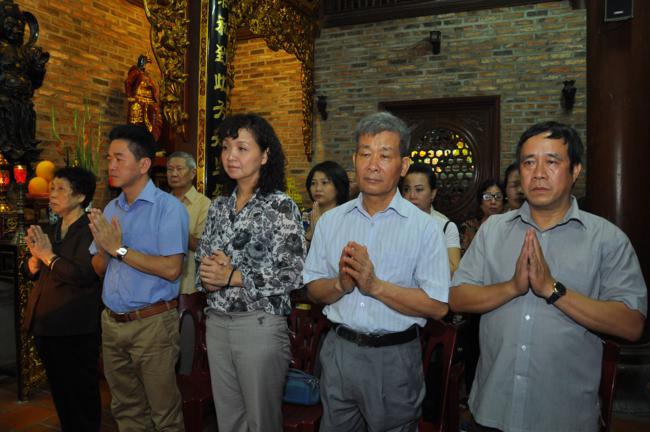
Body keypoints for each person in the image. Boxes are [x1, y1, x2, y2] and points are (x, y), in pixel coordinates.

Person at [450, 121, 647, 432]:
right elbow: (457, 297)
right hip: (493, 408)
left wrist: (552, 290)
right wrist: (512, 287)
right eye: (529, 163)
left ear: (575, 170)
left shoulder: (606, 239)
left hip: (564, 416)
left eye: (552, 162)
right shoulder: (493, 231)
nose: (538, 173)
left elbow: (631, 324)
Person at [304, 111, 449, 432]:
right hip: (339, 351)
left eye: (384, 156)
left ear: (404, 165)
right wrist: (341, 285)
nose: (373, 165)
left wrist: (375, 286)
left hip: (393, 358)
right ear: (354, 160)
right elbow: (313, 289)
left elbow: (438, 306)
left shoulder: (424, 228)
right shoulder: (331, 222)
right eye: (365, 154)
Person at [195, 114, 306, 432]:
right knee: (228, 419)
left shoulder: (280, 206)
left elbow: (294, 273)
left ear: (265, 155)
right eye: (226, 147)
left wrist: (232, 275)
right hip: (217, 322)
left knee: (261, 421)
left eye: (242, 148)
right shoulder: (218, 206)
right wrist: (209, 275)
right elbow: (202, 263)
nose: (231, 155)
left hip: (258, 324)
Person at [88, 124, 188, 432]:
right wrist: (105, 250)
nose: (111, 165)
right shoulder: (111, 207)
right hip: (113, 322)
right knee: (126, 409)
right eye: (109, 158)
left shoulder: (168, 209)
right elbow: (98, 268)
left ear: (143, 164)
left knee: (164, 414)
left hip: (152, 325)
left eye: (119, 158)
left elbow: (172, 269)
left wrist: (118, 249)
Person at [23, 166, 101, 432]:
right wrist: (34, 262)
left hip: (75, 326)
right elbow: (32, 271)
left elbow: (82, 275)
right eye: (52, 188)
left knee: (80, 393)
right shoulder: (52, 227)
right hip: (46, 323)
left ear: (80, 196)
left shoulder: (91, 230)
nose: (52, 194)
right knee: (60, 391)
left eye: (60, 189)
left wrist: (48, 256)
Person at [166, 151, 211, 374]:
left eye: (179, 169)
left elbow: (204, 247)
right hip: (159, 290)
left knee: (186, 355)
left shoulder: (204, 204)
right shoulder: (160, 202)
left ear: (193, 173)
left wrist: (176, 228)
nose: (173, 173)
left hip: (187, 287)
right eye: (169, 169)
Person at [401, 162, 461, 274]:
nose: (412, 196)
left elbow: (454, 271)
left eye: (419, 189)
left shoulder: (446, 226)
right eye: (406, 189)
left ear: (433, 194)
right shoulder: (395, 221)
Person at [304, 160, 350, 243]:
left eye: (324, 183)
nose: (318, 188)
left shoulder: (347, 218)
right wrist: (310, 235)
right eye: (313, 183)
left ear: (338, 187)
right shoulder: (303, 217)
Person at [460, 179, 504, 254]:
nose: (493, 202)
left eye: (498, 197)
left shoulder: (509, 227)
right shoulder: (469, 227)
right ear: (480, 202)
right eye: (487, 197)